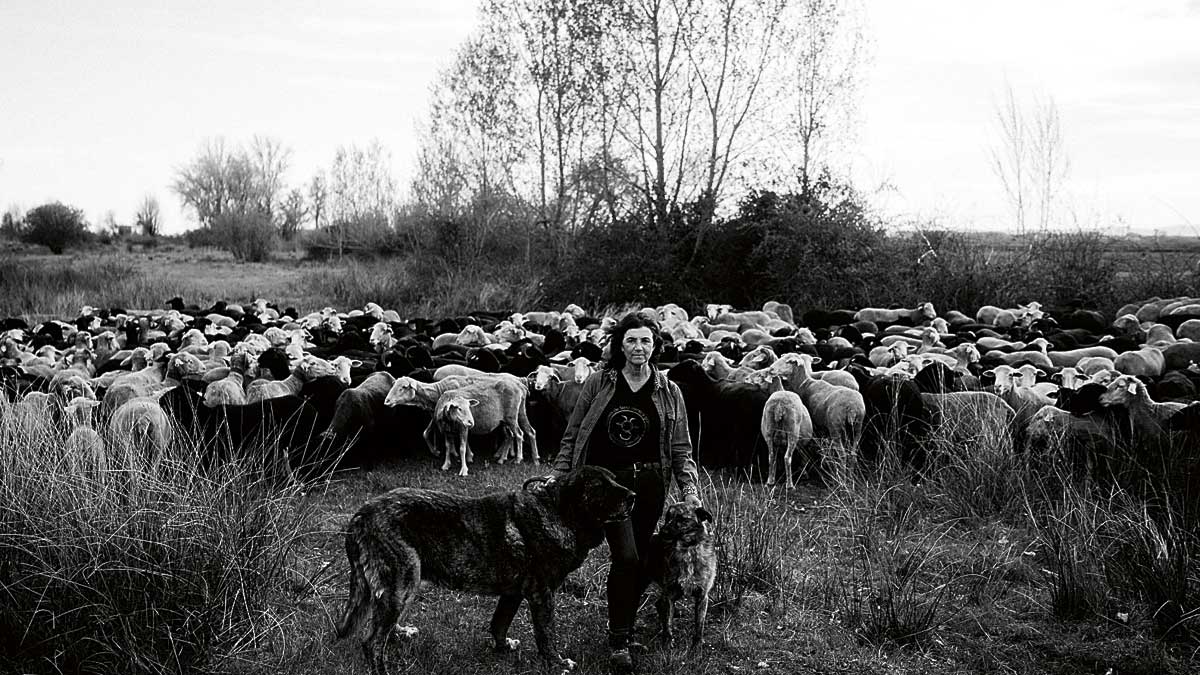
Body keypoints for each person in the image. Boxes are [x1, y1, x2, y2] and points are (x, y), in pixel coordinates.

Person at [541, 311, 702, 672]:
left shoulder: (669, 390)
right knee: (626, 558)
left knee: (642, 562)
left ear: (655, 345)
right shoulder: (600, 384)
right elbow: (574, 433)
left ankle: (624, 625)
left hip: (649, 484)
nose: (638, 347)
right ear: (620, 345)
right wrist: (558, 475)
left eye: (645, 340)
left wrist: (689, 488)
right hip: (607, 486)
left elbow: (681, 448)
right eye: (631, 340)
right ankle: (618, 642)